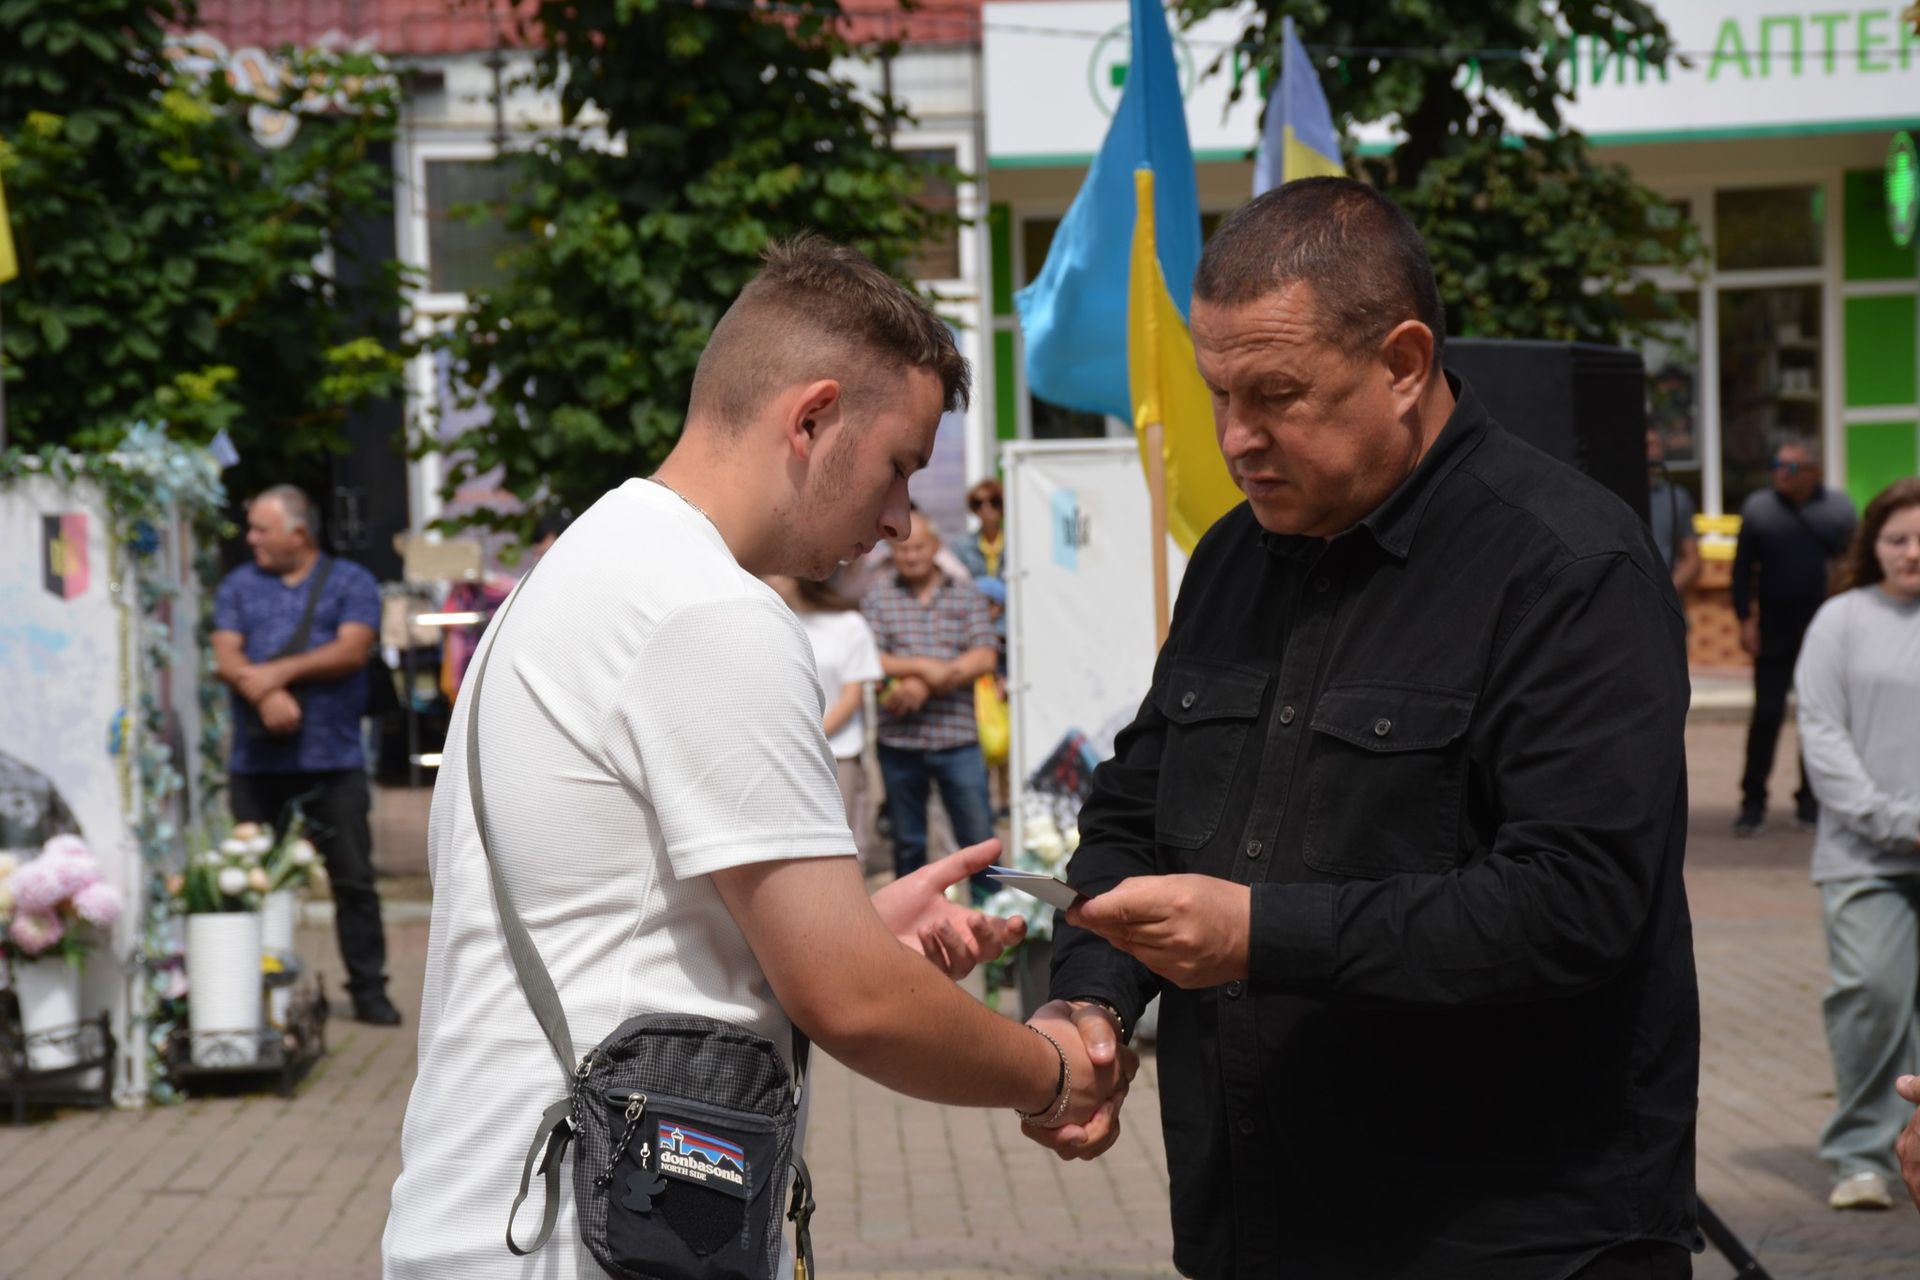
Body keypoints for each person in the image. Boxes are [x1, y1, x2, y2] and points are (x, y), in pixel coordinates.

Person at [383, 236, 1130, 1277]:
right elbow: (851, 1000)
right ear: (813, 417)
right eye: (900, 466)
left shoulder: (592, 564)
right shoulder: (708, 613)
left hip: (509, 1223)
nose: (898, 517)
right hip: (583, 1241)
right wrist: (1049, 1069)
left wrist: (856, 930)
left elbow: (621, 924)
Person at [1021, 178, 1700, 1280]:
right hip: (1263, 1221)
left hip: (1513, 1237)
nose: (1238, 439)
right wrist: (1090, 996)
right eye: (1218, 393)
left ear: (1403, 364)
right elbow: (1136, 809)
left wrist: (1260, 933)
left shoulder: (1568, 566)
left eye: (1280, 395)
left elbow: (1579, 901)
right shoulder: (1237, 557)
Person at [212, 485, 397, 1026]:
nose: (251, 540)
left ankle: (370, 991)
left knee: (354, 882)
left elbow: (352, 648)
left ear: (298, 533)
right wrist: (265, 692)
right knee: (247, 881)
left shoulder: (350, 581)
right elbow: (225, 652)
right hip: (256, 766)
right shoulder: (238, 585)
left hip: (332, 761)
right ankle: (247, 995)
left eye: (260, 529)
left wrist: (276, 673)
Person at [1793, 477, 1920, 1211]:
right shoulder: (1841, 621)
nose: (1911, 552)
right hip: (1865, 857)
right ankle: (1860, 1155)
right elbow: (1824, 737)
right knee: (1873, 993)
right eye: (1898, 538)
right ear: (1872, 545)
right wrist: (1895, 818)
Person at [861, 509, 1000, 881]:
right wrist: (923, 669)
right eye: (902, 549)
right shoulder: (878, 597)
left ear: (936, 547)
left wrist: (929, 683)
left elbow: (985, 655)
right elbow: (871, 658)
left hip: (958, 739)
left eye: (919, 547)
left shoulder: (966, 593)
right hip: (899, 742)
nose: (911, 556)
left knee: (978, 840)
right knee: (908, 843)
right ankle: (915, 929)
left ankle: (995, 920)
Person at [1730, 436, 1857, 836]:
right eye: (1776, 465)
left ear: (1814, 472)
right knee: (1766, 716)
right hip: (1773, 631)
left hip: (1825, 633)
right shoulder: (1759, 508)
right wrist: (1745, 620)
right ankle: (1752, 804)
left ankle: (1811, 802)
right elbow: (1741, 570)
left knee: (1817, 717)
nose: (1780, 473)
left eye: (1791, 467)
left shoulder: (1838, 509)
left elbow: (1853, 567)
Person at [766, 573, 889, 879]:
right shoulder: (766, 619)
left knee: (839, 847)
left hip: (837, 754)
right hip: (776, 752)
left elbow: (852, 696)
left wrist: (808, 738)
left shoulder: (848, 624)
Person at [1647, 427, 1702, 597]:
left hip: (1666, 604)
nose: (1648, 451)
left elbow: (1692, 558)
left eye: (1653, 445)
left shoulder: (1677, 497)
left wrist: (1666, 592)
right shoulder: (1615, 496)